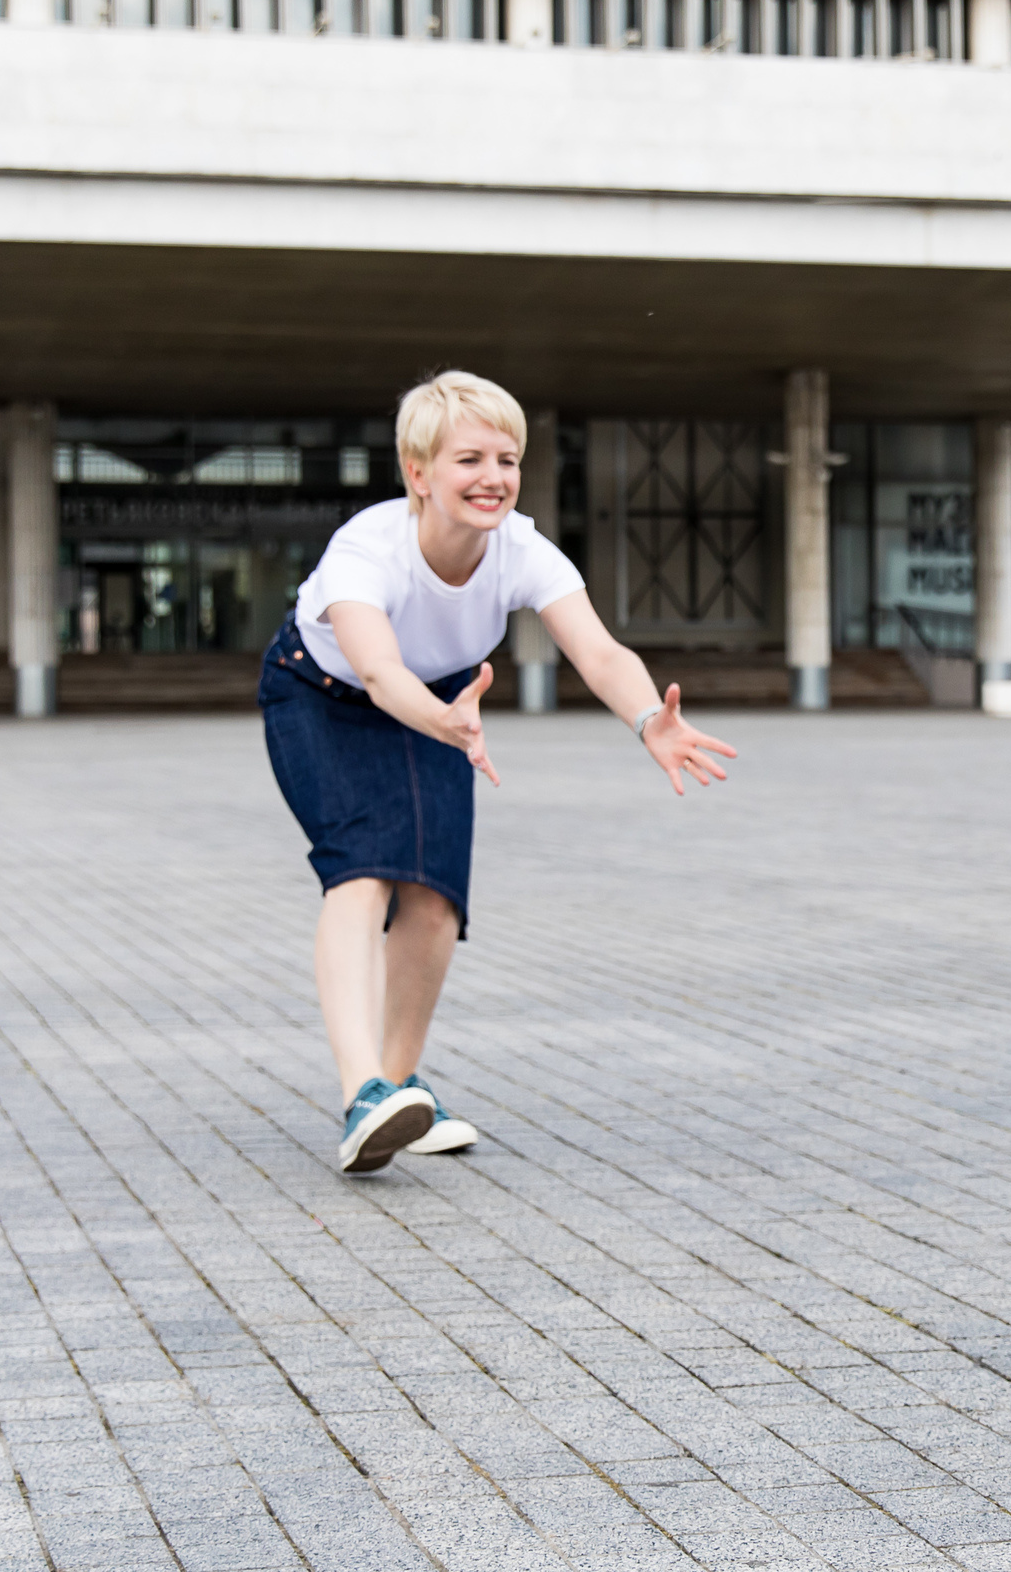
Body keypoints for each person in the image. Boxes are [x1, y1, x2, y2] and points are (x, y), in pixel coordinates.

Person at [260, 371, 738, 1175]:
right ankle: (363, 1093)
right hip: (325, 694)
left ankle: (403, 1087)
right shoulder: (366, 548)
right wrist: (440, 718)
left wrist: (649, 718)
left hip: (444, 698)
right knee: (364, 870)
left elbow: (595, 648)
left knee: (437, 895)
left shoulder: (520, 545)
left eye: (507, 460)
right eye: (469, 459)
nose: (494, 478)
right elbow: (377, 671)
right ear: (419, 473)